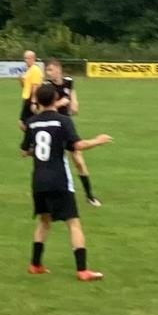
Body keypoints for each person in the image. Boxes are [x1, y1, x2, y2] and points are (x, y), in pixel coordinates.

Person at [21, 83, 111, 281]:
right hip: (59, 179)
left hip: (38, 180)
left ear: (39, 101)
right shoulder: (62, 120)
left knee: (44, 221)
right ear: (55, 99)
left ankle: (35, 264)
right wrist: (98, 140)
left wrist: (36, 151)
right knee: (73, 223)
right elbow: (77, 145)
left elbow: (25, 151)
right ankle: (82, 270)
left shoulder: (32, 122)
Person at [44, 58, 100, 206]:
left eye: (50, 70)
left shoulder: (68, 81)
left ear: (58, 69)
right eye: (47, 70)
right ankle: (52, 195)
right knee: (53, 163)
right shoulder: (47, 87)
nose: (48, 73)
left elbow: (73, 98)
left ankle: (89, 196)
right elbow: (41, 110)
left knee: (78, 161)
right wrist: (59, 103)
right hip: (52, 127)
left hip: (66, 126)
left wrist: (75, 103)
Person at [18, 50, 43, 129]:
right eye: (25, 58)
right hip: (27, 98)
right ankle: (32, 135)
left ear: (33, 59)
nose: (26, 60)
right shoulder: (28, 70)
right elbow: (24, 86)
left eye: (28, 58)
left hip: (32, 99)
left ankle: (33, 135)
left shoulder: (35, 70)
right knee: (24, 123)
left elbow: (35, 86)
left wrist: (33, 102)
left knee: (27, 123)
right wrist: (21, 80)